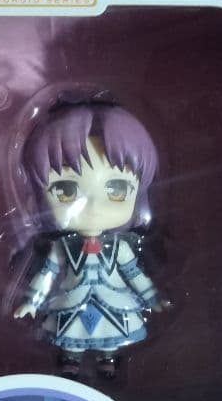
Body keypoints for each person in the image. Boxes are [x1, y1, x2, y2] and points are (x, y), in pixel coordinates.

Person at [13, 97, 168, 377]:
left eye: (117, 189)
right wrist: (31, 302)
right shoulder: (62, 247)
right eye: (66, 190)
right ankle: (70, 358)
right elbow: (47, 274)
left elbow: (134, 275)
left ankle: (108, 357)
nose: (93, 207)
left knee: (113, 330)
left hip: (113, 302)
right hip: (72, 301)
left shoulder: (120, 248)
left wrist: (152, 298)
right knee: (70, 331)